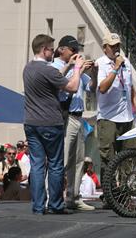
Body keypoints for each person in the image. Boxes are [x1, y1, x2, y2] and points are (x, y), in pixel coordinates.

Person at [23, 34, 86, 215]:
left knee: (36, 165)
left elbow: (54, 78)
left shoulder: (28, 68)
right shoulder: (48, 69)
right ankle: (56, 205)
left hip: (31, 122)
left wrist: (67, 66)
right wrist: (77, 68)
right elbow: (72, 87)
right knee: (56, 165)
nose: (53, 51)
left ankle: (38, 206)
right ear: (44, 50)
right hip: (50, 122)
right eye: (51, 49)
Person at [51, 35, 97, 211]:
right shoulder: (56, 66)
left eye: (78, 50)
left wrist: (93, 71)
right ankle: (54, 197)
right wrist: (74, 67)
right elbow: (58, 86)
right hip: (65, 116)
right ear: (61, 49)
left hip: (79, 116)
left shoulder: (78, 68)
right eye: (73, 50)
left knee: (78, 160)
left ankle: (74, 196)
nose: (76, 53)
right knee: (62, 160)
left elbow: (91, 88)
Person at [96, 32, 136, 194]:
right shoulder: (100, 64)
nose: (116, 49)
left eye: (118, 46)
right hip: (108, 118)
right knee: (109, 158)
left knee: (129, 157)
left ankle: (126, 194)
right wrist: (115, 68)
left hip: (127, 117)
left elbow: (130, 87)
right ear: (104, 48)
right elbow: (102, 88)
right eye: (112, 46)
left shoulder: (126, 62)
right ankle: (110, 194)